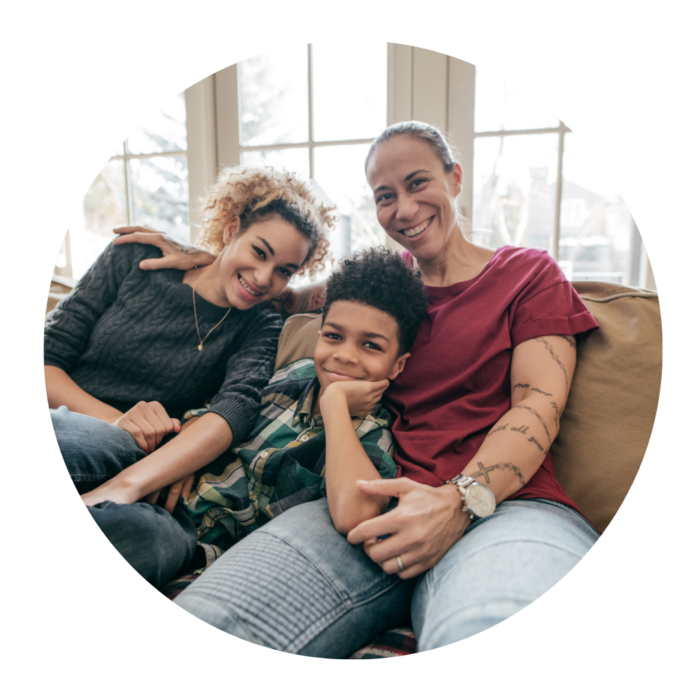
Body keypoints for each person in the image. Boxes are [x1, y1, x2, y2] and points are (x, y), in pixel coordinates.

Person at [111, 121, 603, 658]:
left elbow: (539, 404)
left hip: (504, 507)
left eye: (419, 183)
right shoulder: (384, 285)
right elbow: (279, 292)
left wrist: (457, 503)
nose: (405, 209)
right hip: (360, 502)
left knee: (492, 636)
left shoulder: (526, 273)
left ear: (455, 177)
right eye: (385, 196)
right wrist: (201, 257)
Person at [44, 166, 335, 588]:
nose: (263, 278)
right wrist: (119, 423)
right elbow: (48, 360)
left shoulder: (259, 326)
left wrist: (136, 474)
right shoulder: (134, 258)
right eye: (259, 251)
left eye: (284, 270)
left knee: (151, 540)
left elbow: (234, 409)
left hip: (153, 469)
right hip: (86, 429)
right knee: (69, 436)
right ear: (232, 228)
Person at [180, 247, 429, 574]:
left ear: (397, 365)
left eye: (370, 345)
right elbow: (215, 414)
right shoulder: (290, 376)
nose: (345, 355)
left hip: (204, 551)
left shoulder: (372, 433)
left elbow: (355, 516)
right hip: (177, 506)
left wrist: (335, 404)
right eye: (334, 336)